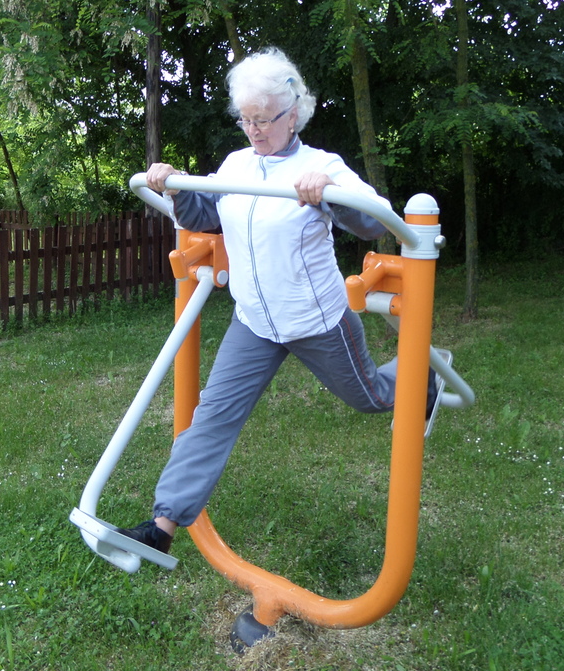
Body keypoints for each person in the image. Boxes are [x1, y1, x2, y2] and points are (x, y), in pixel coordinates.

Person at [117, 47, 437, 555]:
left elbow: (374, 220)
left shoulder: (321, 165)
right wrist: (174, 188)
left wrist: (330, 192)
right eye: (246, 119)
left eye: (264, 119)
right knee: (212, 417)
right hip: (254, 323)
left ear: (293, 115)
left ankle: (422, 375)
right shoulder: (237, 164)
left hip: (316, 321)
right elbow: (206, 216)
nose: (254, 130)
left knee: (371, 397)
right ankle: (161, 529)